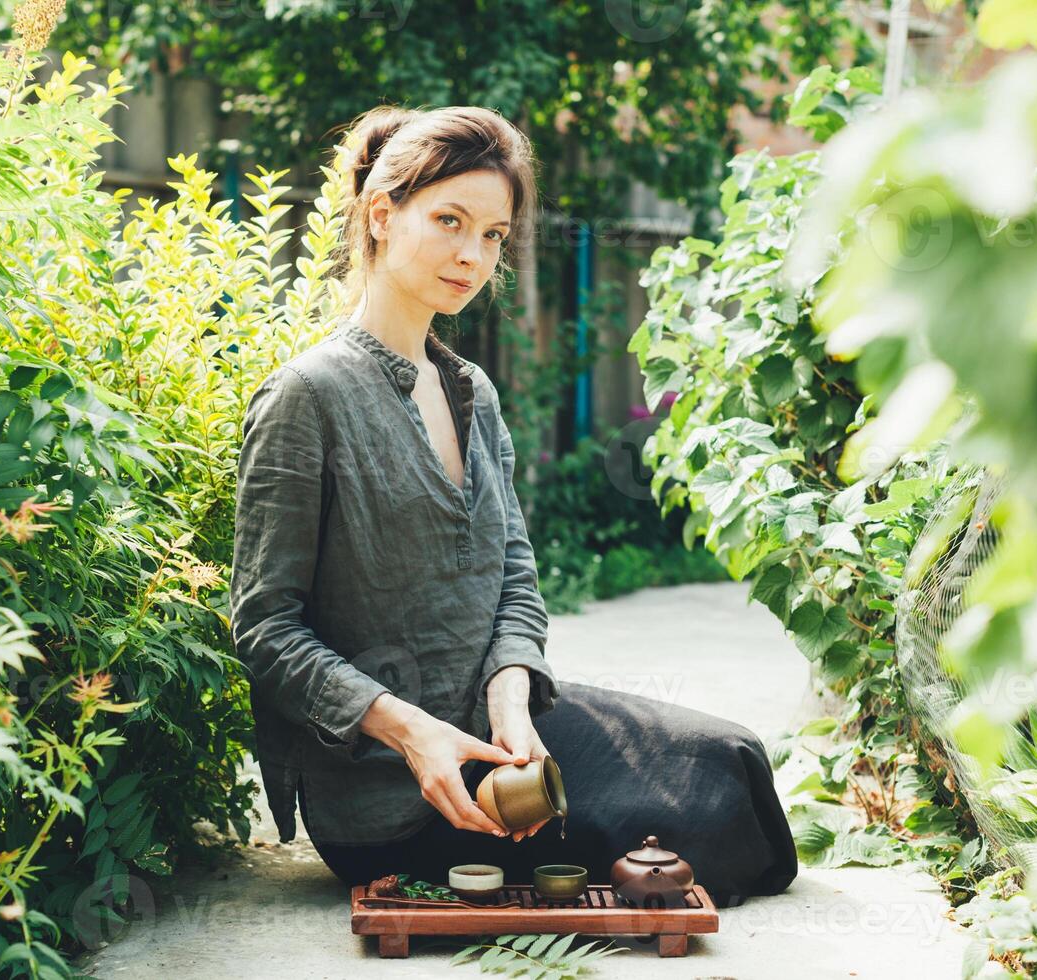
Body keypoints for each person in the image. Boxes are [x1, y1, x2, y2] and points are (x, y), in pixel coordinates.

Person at [228, 104, 797, 907]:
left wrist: (512, 689)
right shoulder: (306, 397)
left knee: (732, 761)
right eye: (450, 220)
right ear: (382, 215)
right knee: (706, 823)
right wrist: (408, 729)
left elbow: (516, 570)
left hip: (498, 734)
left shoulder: (472, 392)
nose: (473, 255)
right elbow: (265, 628)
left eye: (493, 235)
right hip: (394, 793)